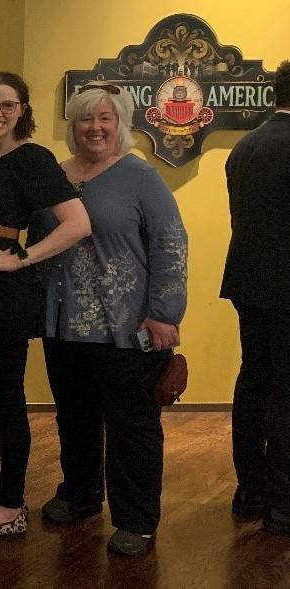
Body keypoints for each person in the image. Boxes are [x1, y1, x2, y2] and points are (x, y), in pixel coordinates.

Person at [39, 82, 187, 556]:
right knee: (74, 418)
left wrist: (165, 313)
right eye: (85, 118)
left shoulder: (141, 177)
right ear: (73, 126)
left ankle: (136, 519)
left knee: (133, 425)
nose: (95, 127)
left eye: (106, 118)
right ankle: (80, 495)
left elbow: (170, 243)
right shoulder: (56, 176)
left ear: (121, 124)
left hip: (127, 328)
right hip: (62, 326)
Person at [0, 72, 90, 537]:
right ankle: (5, 489)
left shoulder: (33, 159)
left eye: (8, 106)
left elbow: (77, 224)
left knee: (8, 399)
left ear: (23, 110)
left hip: (4, 295)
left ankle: (10, 505)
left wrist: (20, 259)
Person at [222, 60, 290, 537]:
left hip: (248, 281)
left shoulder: (245, 146)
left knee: (253, 380)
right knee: (286, 391)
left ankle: (250, 489)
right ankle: (284, 503)